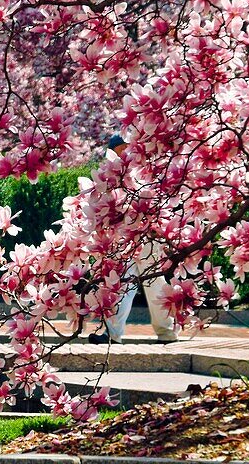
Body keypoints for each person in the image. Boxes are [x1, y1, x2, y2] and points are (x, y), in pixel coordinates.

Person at [89, 135, 180, 345]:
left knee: (154, 282)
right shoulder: (110, 174)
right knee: (120, 283)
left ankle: (167, 333)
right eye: (118, 150)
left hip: (146, 235)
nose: (123, 153)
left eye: (124, 148)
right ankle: (112, 334)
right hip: (124, 236)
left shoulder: (145, 170)